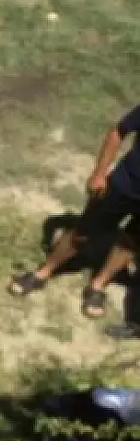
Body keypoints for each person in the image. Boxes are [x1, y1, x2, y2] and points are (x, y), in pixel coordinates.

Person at [9, 103, 140, 321]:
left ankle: (98, 286)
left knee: (130, 243)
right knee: (83, 231)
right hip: (123, 184)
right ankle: (43, 272)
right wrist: (99, 173)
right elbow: (119, 131)